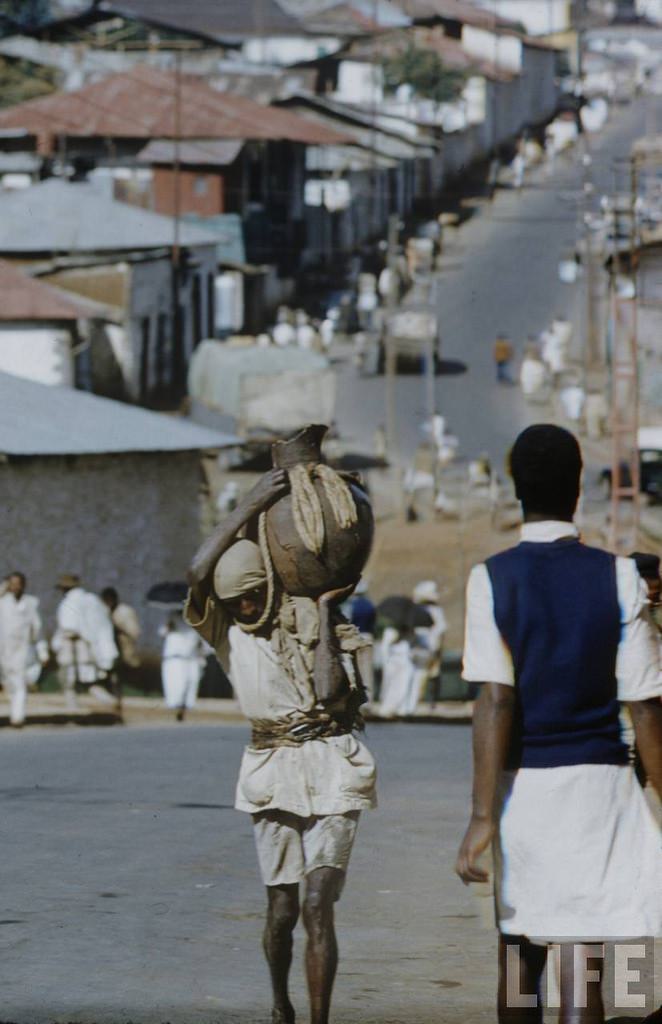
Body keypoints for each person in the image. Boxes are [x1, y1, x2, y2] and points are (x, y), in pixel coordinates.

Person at [456, 424, 662, 1024]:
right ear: (579, 486)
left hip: (523, 791)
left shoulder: (489, 578)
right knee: (584, 955)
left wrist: (481, 817)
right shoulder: (619, 576)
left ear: (514, 486)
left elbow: (494, 701)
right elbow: (644, 706)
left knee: (519, 953)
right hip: (599, 789)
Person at [185, 470, 376, 1024]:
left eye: (251, 598)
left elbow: (328, 691)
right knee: (281, 908)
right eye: (235, 603)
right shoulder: (226, 632)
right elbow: (198, 571)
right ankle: (279, 1002)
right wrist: (251, 504)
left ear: (267, 585)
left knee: (318, 905)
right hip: (271, 766)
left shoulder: (318, 620)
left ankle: (319, 1018)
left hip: (334, 762)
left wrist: (319, 611)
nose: (245, 609)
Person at [52, 574, 119, 708]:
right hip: (90, 648)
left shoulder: (69, 602)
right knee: (89, 681)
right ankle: (109, 701)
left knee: (68, 682)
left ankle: (72, 709)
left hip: (74, 647)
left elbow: (69, 628)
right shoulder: (91, 599)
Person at [0, 572, 49, 727]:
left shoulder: (31, 603)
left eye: (18, 583)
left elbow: (38, 629)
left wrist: (43, 651)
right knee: (9, 684)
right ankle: (15, 713)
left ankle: (18, 718)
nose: (15, 587)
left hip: (23, 649)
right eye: (12, 584)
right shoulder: (3, 602)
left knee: (20, 683)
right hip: (4, 650)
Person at [160, 611, 206, 721]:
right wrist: (169, 624)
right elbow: (162, 632)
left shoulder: (195, 620)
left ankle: (185, 708)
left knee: (190, 683)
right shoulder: (171, 618)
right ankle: (175, 708)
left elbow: (200, 641)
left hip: (190, 658)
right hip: (173, 658)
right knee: (175, 685)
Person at [101, 587, 141, 699]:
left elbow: (135, 633)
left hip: (124, 649)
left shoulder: (125, 612)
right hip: (110, 650)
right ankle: (115, 698)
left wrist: (118, 628)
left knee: (119, 676)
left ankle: (118, 698)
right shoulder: (105, 610)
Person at [412, 581, 447, 707]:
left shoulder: (425, 610)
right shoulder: (433, 611)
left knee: (429, 674)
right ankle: (421, 699)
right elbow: (441, 628)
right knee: (426, 674)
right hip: (427, 646)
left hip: (427, 646)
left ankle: (426, 700)